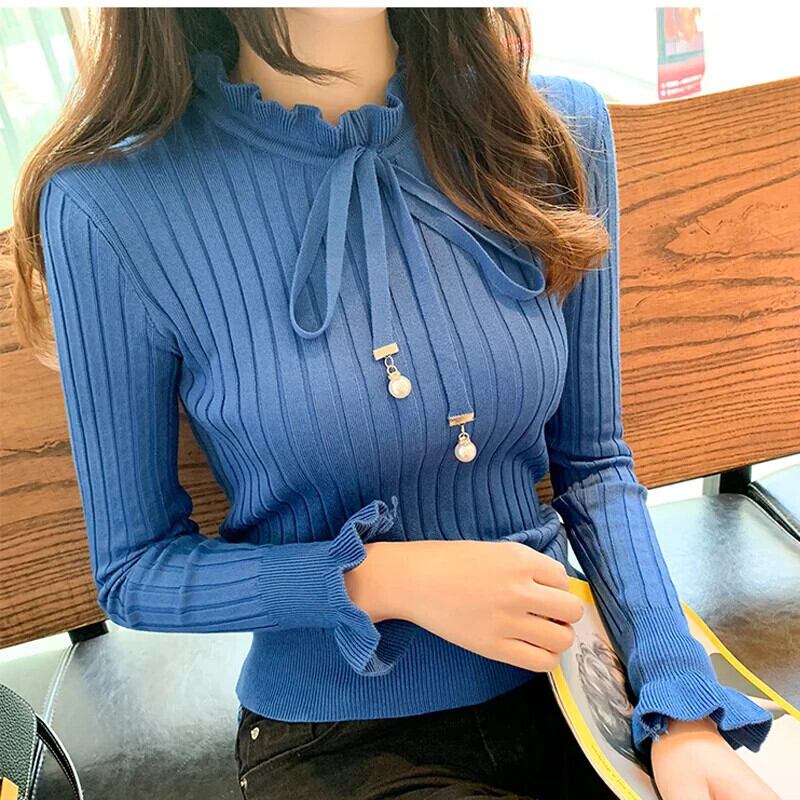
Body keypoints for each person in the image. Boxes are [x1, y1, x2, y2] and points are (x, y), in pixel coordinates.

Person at [4, 8, 778, 800]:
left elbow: (595, 466)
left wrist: (681, 705)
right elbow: (136, 570)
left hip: (577, 688)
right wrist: (380, 579)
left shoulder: (547, 130)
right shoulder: (108, 206)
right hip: (343, 740)